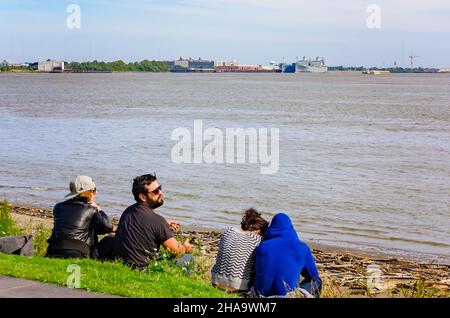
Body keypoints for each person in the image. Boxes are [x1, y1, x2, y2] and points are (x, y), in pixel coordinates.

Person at [112, 174, 193, 269]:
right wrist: (186, 247)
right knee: (188, 259)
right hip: (142, 269)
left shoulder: (128, 211)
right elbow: (176, 251)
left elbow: (143, 224)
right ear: (142, 197)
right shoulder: (157, 220)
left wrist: (164, 225)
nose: (161, 193)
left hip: (122, 264)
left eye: (160, 188)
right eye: (155, 191)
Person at [251, 213, 322, 298]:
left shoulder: (262, 246)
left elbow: (256, 271)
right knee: (317, 280)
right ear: (291, 229)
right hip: (288, 296)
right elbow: (313, 276)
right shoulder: (302, 247)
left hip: (259, 295)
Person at [46, 176, 114, 259]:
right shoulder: (90, 209)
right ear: (89, 192)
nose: (96, 193)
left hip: (53, 249)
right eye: (94, 190)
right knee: (110, 240)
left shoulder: (58, 207)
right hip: (78, 252)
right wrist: (98, 208)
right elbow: (108, 227)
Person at [211, 208, 268, 292]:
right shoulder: (256, 239)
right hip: (238, 287)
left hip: (215, 281)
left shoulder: (229, 231)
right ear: (258, 231)